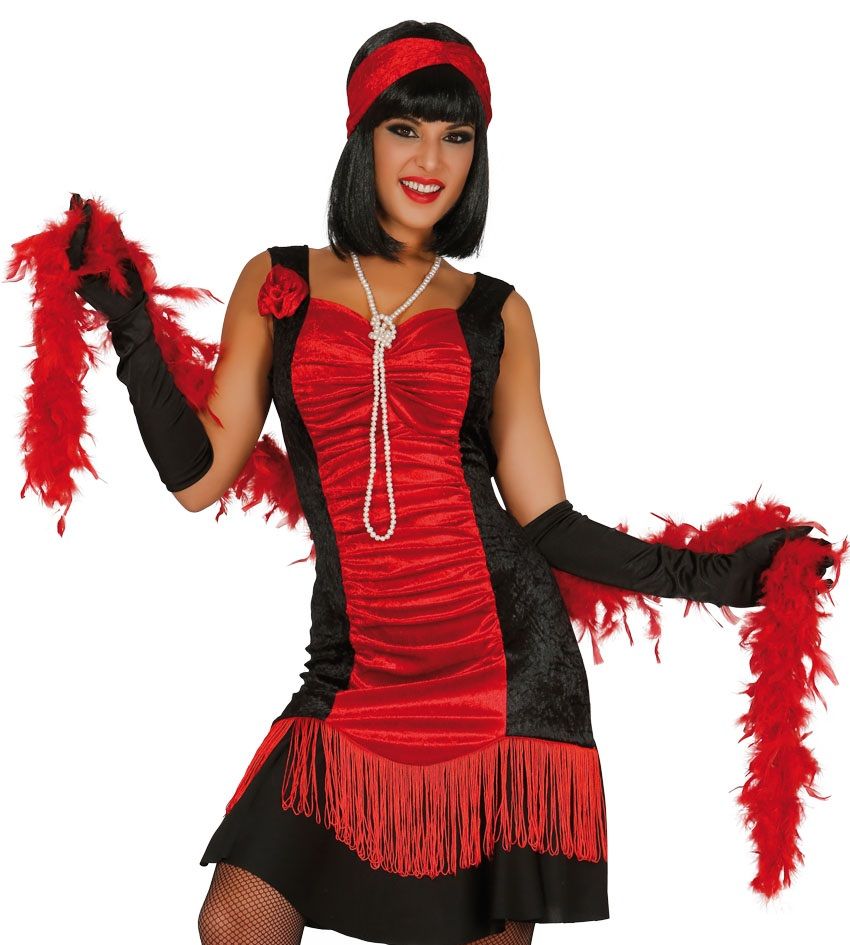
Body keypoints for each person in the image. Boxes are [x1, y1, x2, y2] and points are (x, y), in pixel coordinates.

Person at [65, 19, 828, 945]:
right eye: (405, 129)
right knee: (237, 920)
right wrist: (134, 330)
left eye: (456, 136)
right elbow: (198, 477)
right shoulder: (279, 283)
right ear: (362, 137)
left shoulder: (495, 312)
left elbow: (547, 521)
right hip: (356, 667)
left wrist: (716, 575)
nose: (430, 160)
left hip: (503, 666)